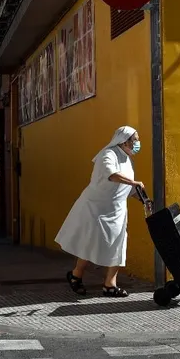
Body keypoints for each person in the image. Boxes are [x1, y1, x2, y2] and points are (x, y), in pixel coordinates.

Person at [54, 125, 151, 298]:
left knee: (118, 246)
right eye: (135, 140)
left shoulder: (128, 159)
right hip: (96, 209)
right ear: (124, 141)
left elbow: (127, 189)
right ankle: (76, 275)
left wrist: (144, 200)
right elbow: (111, 175)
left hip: (117, 210)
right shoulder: (108, 155)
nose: (137, 143)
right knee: (91, 243)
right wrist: (134, 182)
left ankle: (110, 285)